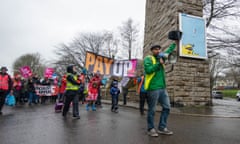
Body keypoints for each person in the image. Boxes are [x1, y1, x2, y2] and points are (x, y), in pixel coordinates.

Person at [144, 41, 177, 137]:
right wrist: (159, 63)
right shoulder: (148, 59)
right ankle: (151, 128)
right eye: (155, 49)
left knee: (167, 107)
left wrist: (175, 43)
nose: (158, 51)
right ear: (152, 51)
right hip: (153, 88)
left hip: (163, 88)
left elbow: (169, 51)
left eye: (159, 49)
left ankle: (162, 127)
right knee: (152, 109)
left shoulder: (162, 56)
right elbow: (148, 70)